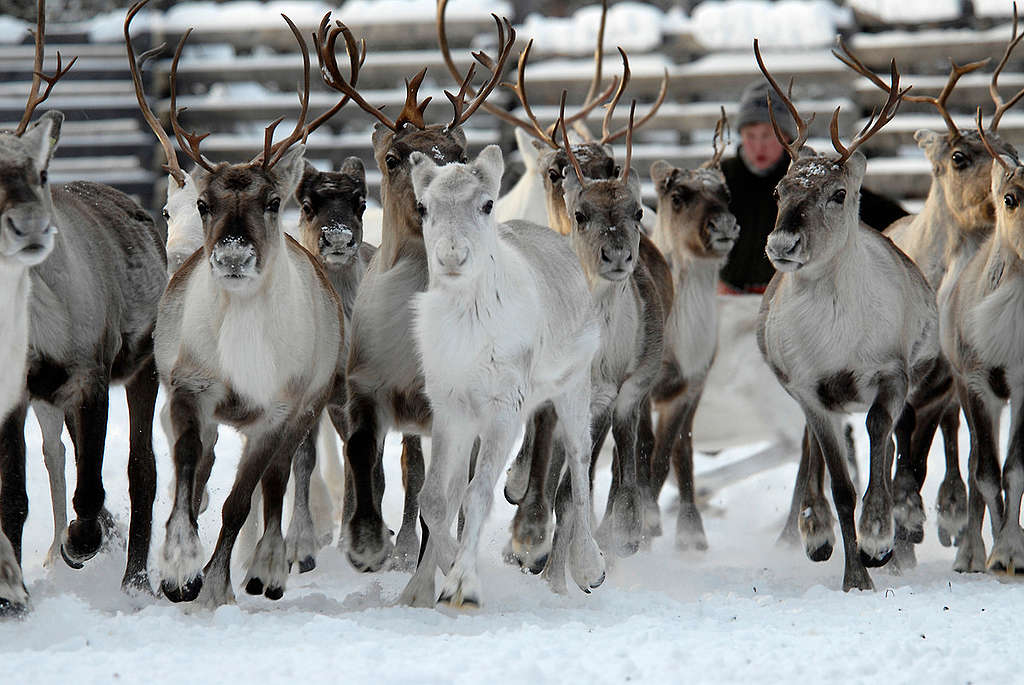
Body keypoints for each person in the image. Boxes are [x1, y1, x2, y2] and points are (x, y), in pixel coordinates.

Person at [719, 81, 908, 294]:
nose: (759, 146)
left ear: (786, 137)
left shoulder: (807, 179)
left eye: (767, 135)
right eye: (750, 136)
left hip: (788, 297)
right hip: (730, 298)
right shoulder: (723, 178)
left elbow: (869, 207)